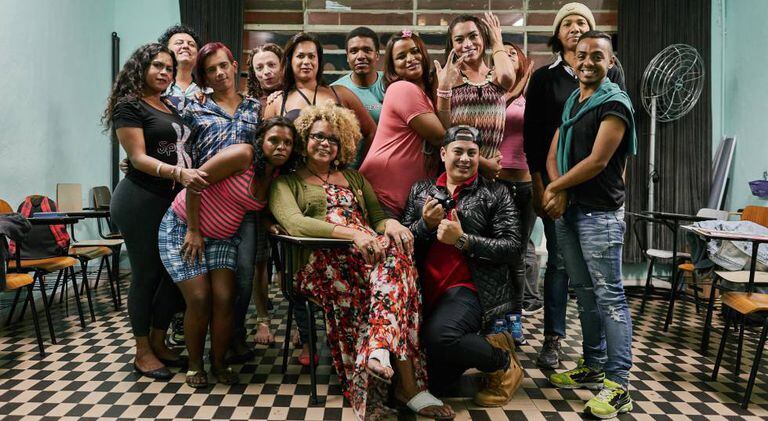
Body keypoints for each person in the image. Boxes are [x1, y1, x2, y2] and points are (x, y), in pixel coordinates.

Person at [269, 103, 454, 420]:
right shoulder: (286, 183)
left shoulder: (354, 178)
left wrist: (392, 224)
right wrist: (353, 235)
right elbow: (296, 224)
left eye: (333, 139)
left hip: (369, 260)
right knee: (397, 286)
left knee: (394, 260)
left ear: (342, 144)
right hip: (319, 262)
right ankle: (405, 384)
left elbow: (377, 218)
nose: (325, 143)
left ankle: (379, 355)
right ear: (304, 139)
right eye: (318, 136)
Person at [523, 1, 625, 369]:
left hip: (597, 195)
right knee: (563, 267)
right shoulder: (546, 79)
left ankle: (608, 367)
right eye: (567, 23)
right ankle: (556, 340)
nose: (575, 28)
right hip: (557, 190)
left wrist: (617, 188)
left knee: (604, 288)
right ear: (558, 33)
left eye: (582, 21)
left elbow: (612, 150)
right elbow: (538, 139)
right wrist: (547, 187)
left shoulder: (612, 81)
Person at [158, 117, 297, 388]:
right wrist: (194, 230)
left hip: (223, 238)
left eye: (288, 143)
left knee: (225, 298)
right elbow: (195, 182)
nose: (281, 147)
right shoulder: (243, 155)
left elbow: (259, 209)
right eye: (274, 140)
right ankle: (195, 365)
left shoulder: (277, 175)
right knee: (200, 298)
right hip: (184, 227)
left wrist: (270, 224)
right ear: (261, 141)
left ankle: (219, 362)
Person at [543, 30, 637, 419]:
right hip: (570, 211)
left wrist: (556, 188)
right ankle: (593, 365)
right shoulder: (573, 101)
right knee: (584, 292)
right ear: (573, 59)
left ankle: (618, 386)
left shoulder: (615, 104)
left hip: (600, 214)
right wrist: (559, 191)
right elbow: (553, 153)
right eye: (581, 55)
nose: (587, 62)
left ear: (610, 62)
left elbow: (598, 161)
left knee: (610, 297)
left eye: (597, 56)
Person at [103, 43, 208, 380]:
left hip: (171, 200)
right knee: (147, 275)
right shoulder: (129, 106)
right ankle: (142, 351)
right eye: (157, 66)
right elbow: (137, 158)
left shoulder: (167, 104)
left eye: (169, 68)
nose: (164, 72)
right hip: (140, 200)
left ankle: (159, 340)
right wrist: (178, 173)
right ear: (141, 68)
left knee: (172, 276)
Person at [401, 125, 524, 407]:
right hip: (425, 290)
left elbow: (513, 248)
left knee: (441, 337)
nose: (465, 159)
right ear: (444, 153)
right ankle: (484, 346)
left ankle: (504, 362)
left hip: (469, 289)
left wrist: (464, 241)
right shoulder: (420, 191)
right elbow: (405, 240)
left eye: (472, 153)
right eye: (458, 151)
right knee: (436, 384)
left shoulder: (496, 193)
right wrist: (425, 225)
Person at [183, 42, 264, 362]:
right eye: (210, 70)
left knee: (243, 276)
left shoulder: (256, 108)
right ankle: (203, 341)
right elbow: (180, 149)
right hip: (205, 205)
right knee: (205, 281)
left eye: (223, 65)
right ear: (204, 77)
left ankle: (234, 336)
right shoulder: (195, 108)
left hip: (243, 206)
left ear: (234, 65)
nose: (219, 73)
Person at [359, 29, 460, 219]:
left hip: (403, 202)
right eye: (401, 56)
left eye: (415, 51)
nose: (411, 58)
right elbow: (441, 137)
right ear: (392, 67)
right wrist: (445, 90)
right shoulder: (402, 89)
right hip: (382, 196)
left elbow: (445, 132)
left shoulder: (424, 95)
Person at [262, 32, 376, 166]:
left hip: (336, 174)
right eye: (300, 56)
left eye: (311, 56)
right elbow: (266, 147)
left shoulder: (341, 93)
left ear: (319, 61)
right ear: (290, 60)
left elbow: (372, 132)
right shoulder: (277, 101)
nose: (306, 62)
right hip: (294, 174)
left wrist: (363, 168)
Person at [245, 42, 286, 346]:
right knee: (260, 259)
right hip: (258, 187)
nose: (266, 72)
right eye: (259, 67)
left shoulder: (294, 96)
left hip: (290, 186)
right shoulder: (249, 103)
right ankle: (262, 319)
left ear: (283, 65)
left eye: (271, 64)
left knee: (290, 259)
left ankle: (298, 324)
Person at [495, 41, 536, 344]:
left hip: (525, 184)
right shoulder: (493, 93)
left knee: (518, 256)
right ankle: (497, 316)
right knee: (497, 253)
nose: (508, 56)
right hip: (496, 183)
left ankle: (515, 316)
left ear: (521, 61)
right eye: (502, 53)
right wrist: (515, 87)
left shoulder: (532, 94)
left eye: (513, 53)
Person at [443, 13, 516, 179]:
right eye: (459, 40)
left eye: (473, 36)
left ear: (484, 37)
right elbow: (444, 131)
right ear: (452, 45)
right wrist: (483, 164)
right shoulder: (447, 77)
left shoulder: (497, 76)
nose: (468, 44)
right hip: (459, 171)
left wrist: (497, 41)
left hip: (490, 177)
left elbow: (507, 76)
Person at [331, 26, 385, 124]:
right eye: (354, 51)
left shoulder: (391, 82)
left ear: (377, 55)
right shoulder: (335, 91)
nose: (360, 56)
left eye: (367, 50)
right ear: (347, 57)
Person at [158, 24, 204, 110]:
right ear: (165, 50)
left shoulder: (208, 91)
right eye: (179, 43)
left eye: (191, 45)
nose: (185, 46)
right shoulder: (156, 88)